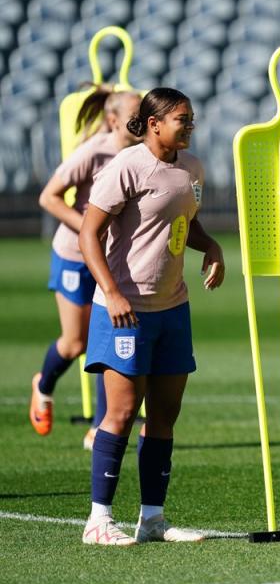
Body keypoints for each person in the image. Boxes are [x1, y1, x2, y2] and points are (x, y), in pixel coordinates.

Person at [77, 87, 225, 546]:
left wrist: (213, 247)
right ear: (154, 122)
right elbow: (89, 233)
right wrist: (112, 292)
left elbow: (185, 221)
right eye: (182, 118)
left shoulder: (192, 168)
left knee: (165, 415)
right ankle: (98, 520)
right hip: (126, 310)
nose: (190, 125)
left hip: (173, 308)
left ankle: (153, 519)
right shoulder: (126, 166)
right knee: (121, 413)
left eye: (191, 117)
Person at [30, 87, 142, 449]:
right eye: (135, 115)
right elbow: (48, 196)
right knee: (75, 342)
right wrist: (88, 229)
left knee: (102, 341)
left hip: (109, 261)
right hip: (74, 255)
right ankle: (43, 385)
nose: (142, 121)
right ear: (113, 120)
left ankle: (99, 426)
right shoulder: (94, 152)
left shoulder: (142, 154)